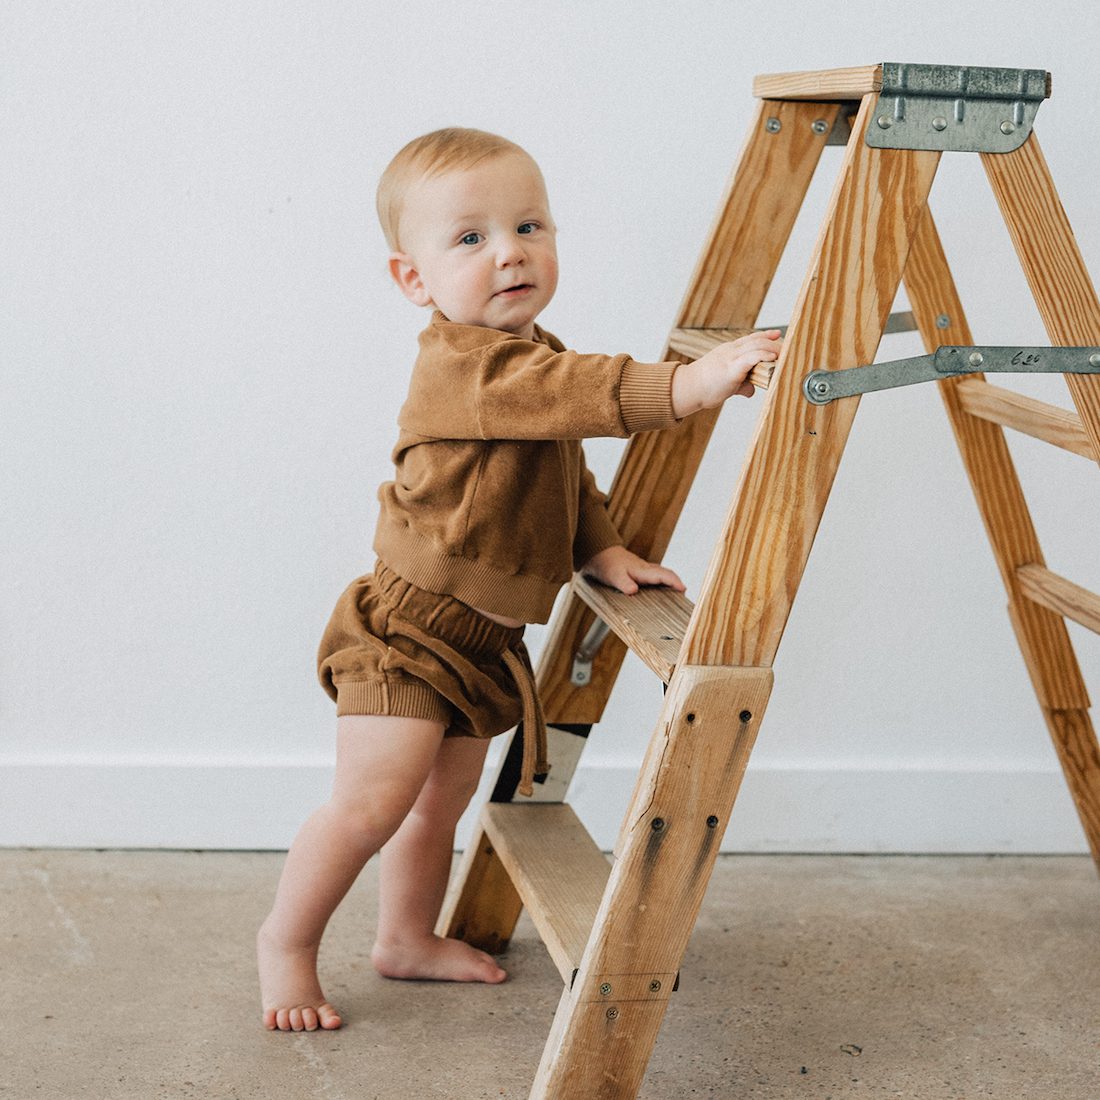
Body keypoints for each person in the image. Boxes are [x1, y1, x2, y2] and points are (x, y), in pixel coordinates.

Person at [257, 127, 782, 1032]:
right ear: (412, 280)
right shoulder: (467, 365)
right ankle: (286, 944)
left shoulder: (533, 354)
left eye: (530, 225)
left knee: (437, 804)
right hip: (407, 631)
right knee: (370, 804)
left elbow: (561, 469)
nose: (510, 251)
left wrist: (600, 548)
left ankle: (405, 939)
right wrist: (693, 385)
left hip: (487, 641)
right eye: (470, 238)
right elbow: (591, 393)